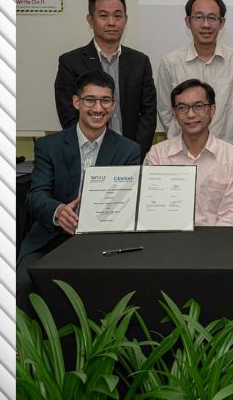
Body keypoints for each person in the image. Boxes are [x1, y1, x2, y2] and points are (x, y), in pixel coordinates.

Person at [18, 71, 141, 310]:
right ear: (76, 102)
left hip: (105, 241)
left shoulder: (128, 150)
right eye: (90, 100)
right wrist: (58, 211)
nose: (98, 108)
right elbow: (36, 195)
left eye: (105, 100)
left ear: (113, 104)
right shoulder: (49, 146)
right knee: (23, 282)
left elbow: (127, 203)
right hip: (51, 239)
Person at [54, 0, 157, 156]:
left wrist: (135, 151)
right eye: (103, 16)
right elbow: (68, 114)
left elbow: (148, 113)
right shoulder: (71, 62)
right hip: (88, 153)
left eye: (117, 16)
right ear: (90, 20)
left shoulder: (140, 61)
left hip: (131, 152)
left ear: (125, 20)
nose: (111, 22)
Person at [144, 79, 233, 226]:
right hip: (171, 236)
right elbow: (152, 208)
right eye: (182, 108)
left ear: (212, 110)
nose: (191, 114)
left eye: (198, 106)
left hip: (219, 237)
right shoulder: (157, 155)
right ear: (174, 113)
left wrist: (210, 240)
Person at [156, 0, 233, 146]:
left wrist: (227, 143)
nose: (206, 24)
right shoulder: (170, 63)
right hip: (181, 150)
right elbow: (165, 111)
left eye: (212, 18)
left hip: (225, 150)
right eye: (198, 17)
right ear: (188, 22)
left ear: (221, 23)